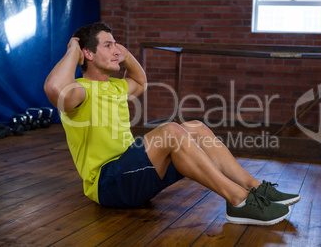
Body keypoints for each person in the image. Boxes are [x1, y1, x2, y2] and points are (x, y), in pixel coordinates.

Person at [44, 22, 300, 226]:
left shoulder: (117, 87)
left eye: (116, 45)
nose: (116, 50)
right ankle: (238, 200)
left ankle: (255, 188)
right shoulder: (79, 91)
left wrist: (127, 54)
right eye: (108, 45)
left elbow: (141, 81)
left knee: (196, 127)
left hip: (132, 172)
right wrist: (72, 50)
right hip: (108, 184)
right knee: (171, 131)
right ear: (87, 53)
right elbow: (55, 87)